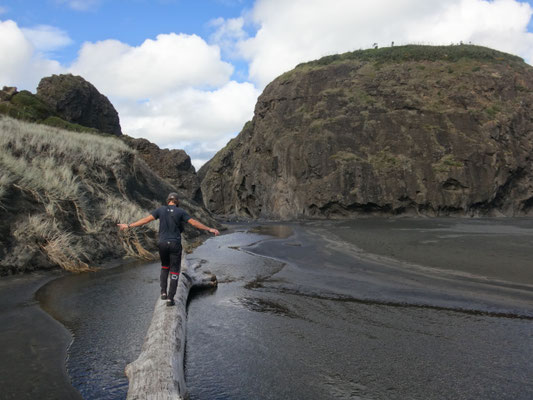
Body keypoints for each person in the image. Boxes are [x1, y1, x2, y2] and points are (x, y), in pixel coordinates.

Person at [117, 192, 219, 306]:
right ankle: (170, 299)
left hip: (162, 244)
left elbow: (146, 220)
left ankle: (163, 292)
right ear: (177, 202)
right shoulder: (181, 212)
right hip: (175, 244)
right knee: (175, 270)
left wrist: (129, 225)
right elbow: (194, 223)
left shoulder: (161, 210)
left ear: (168, 201)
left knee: (165, 267)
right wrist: (209, 229)